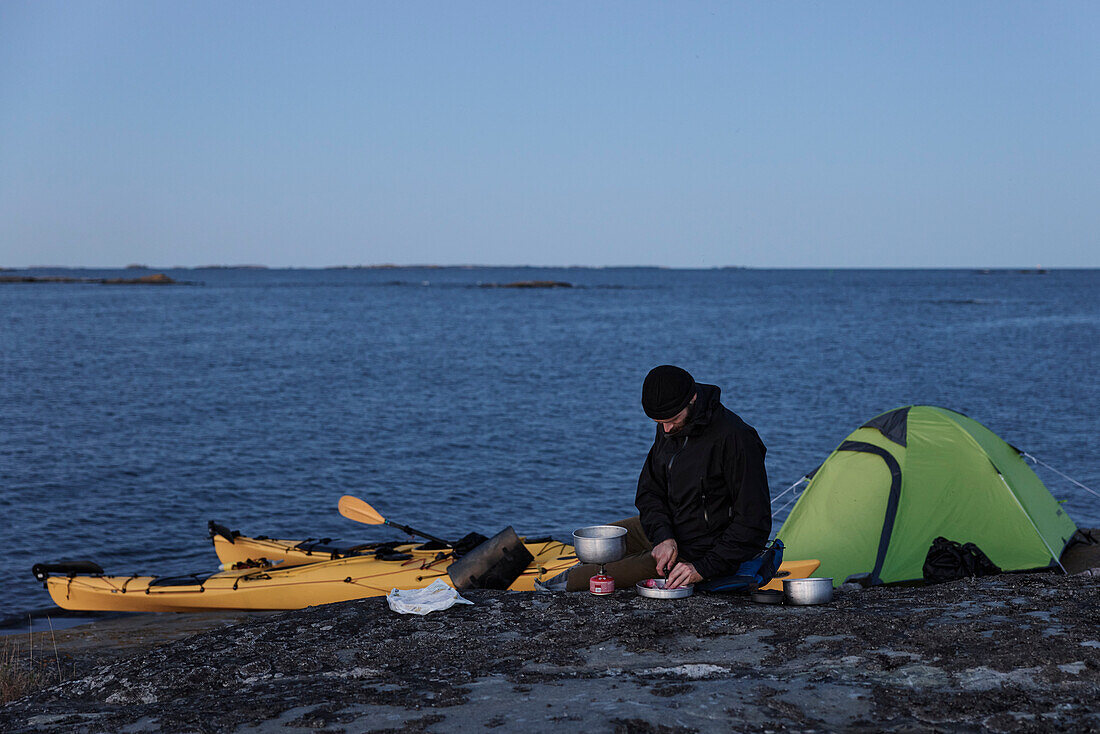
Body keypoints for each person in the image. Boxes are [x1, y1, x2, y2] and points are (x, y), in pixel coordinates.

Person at [561, 365, 772, 591]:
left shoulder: (736, 439)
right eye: (659, 423)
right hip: (669, 530)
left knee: (577, 582)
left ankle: (554, 587)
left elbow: (753, 524)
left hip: (705, 553)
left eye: (673, 419)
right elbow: (649, 491)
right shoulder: (669, 424)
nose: (667, 429)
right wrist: (663, 537)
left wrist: (702, 568)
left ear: (692, 398)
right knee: (594, 547)